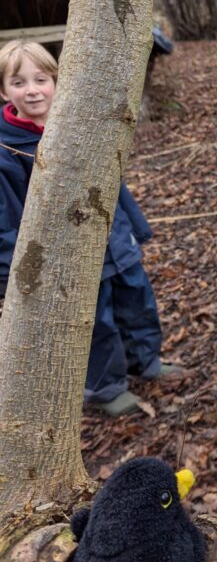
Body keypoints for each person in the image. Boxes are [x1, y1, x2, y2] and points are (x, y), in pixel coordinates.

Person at [0, 39, 183, 417]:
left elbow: (111, 181)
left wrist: (134, 227)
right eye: (18, 83)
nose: (32, 90)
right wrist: (13, 271)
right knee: (95, 322)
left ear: (56, 80)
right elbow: (7, 217)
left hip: (114, 238)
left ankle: (146, 361)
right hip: (67, 255)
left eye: (41, 79)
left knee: (137, 302)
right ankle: (105, 388)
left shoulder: (78, 124)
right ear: (4, 91)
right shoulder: (8, 150)